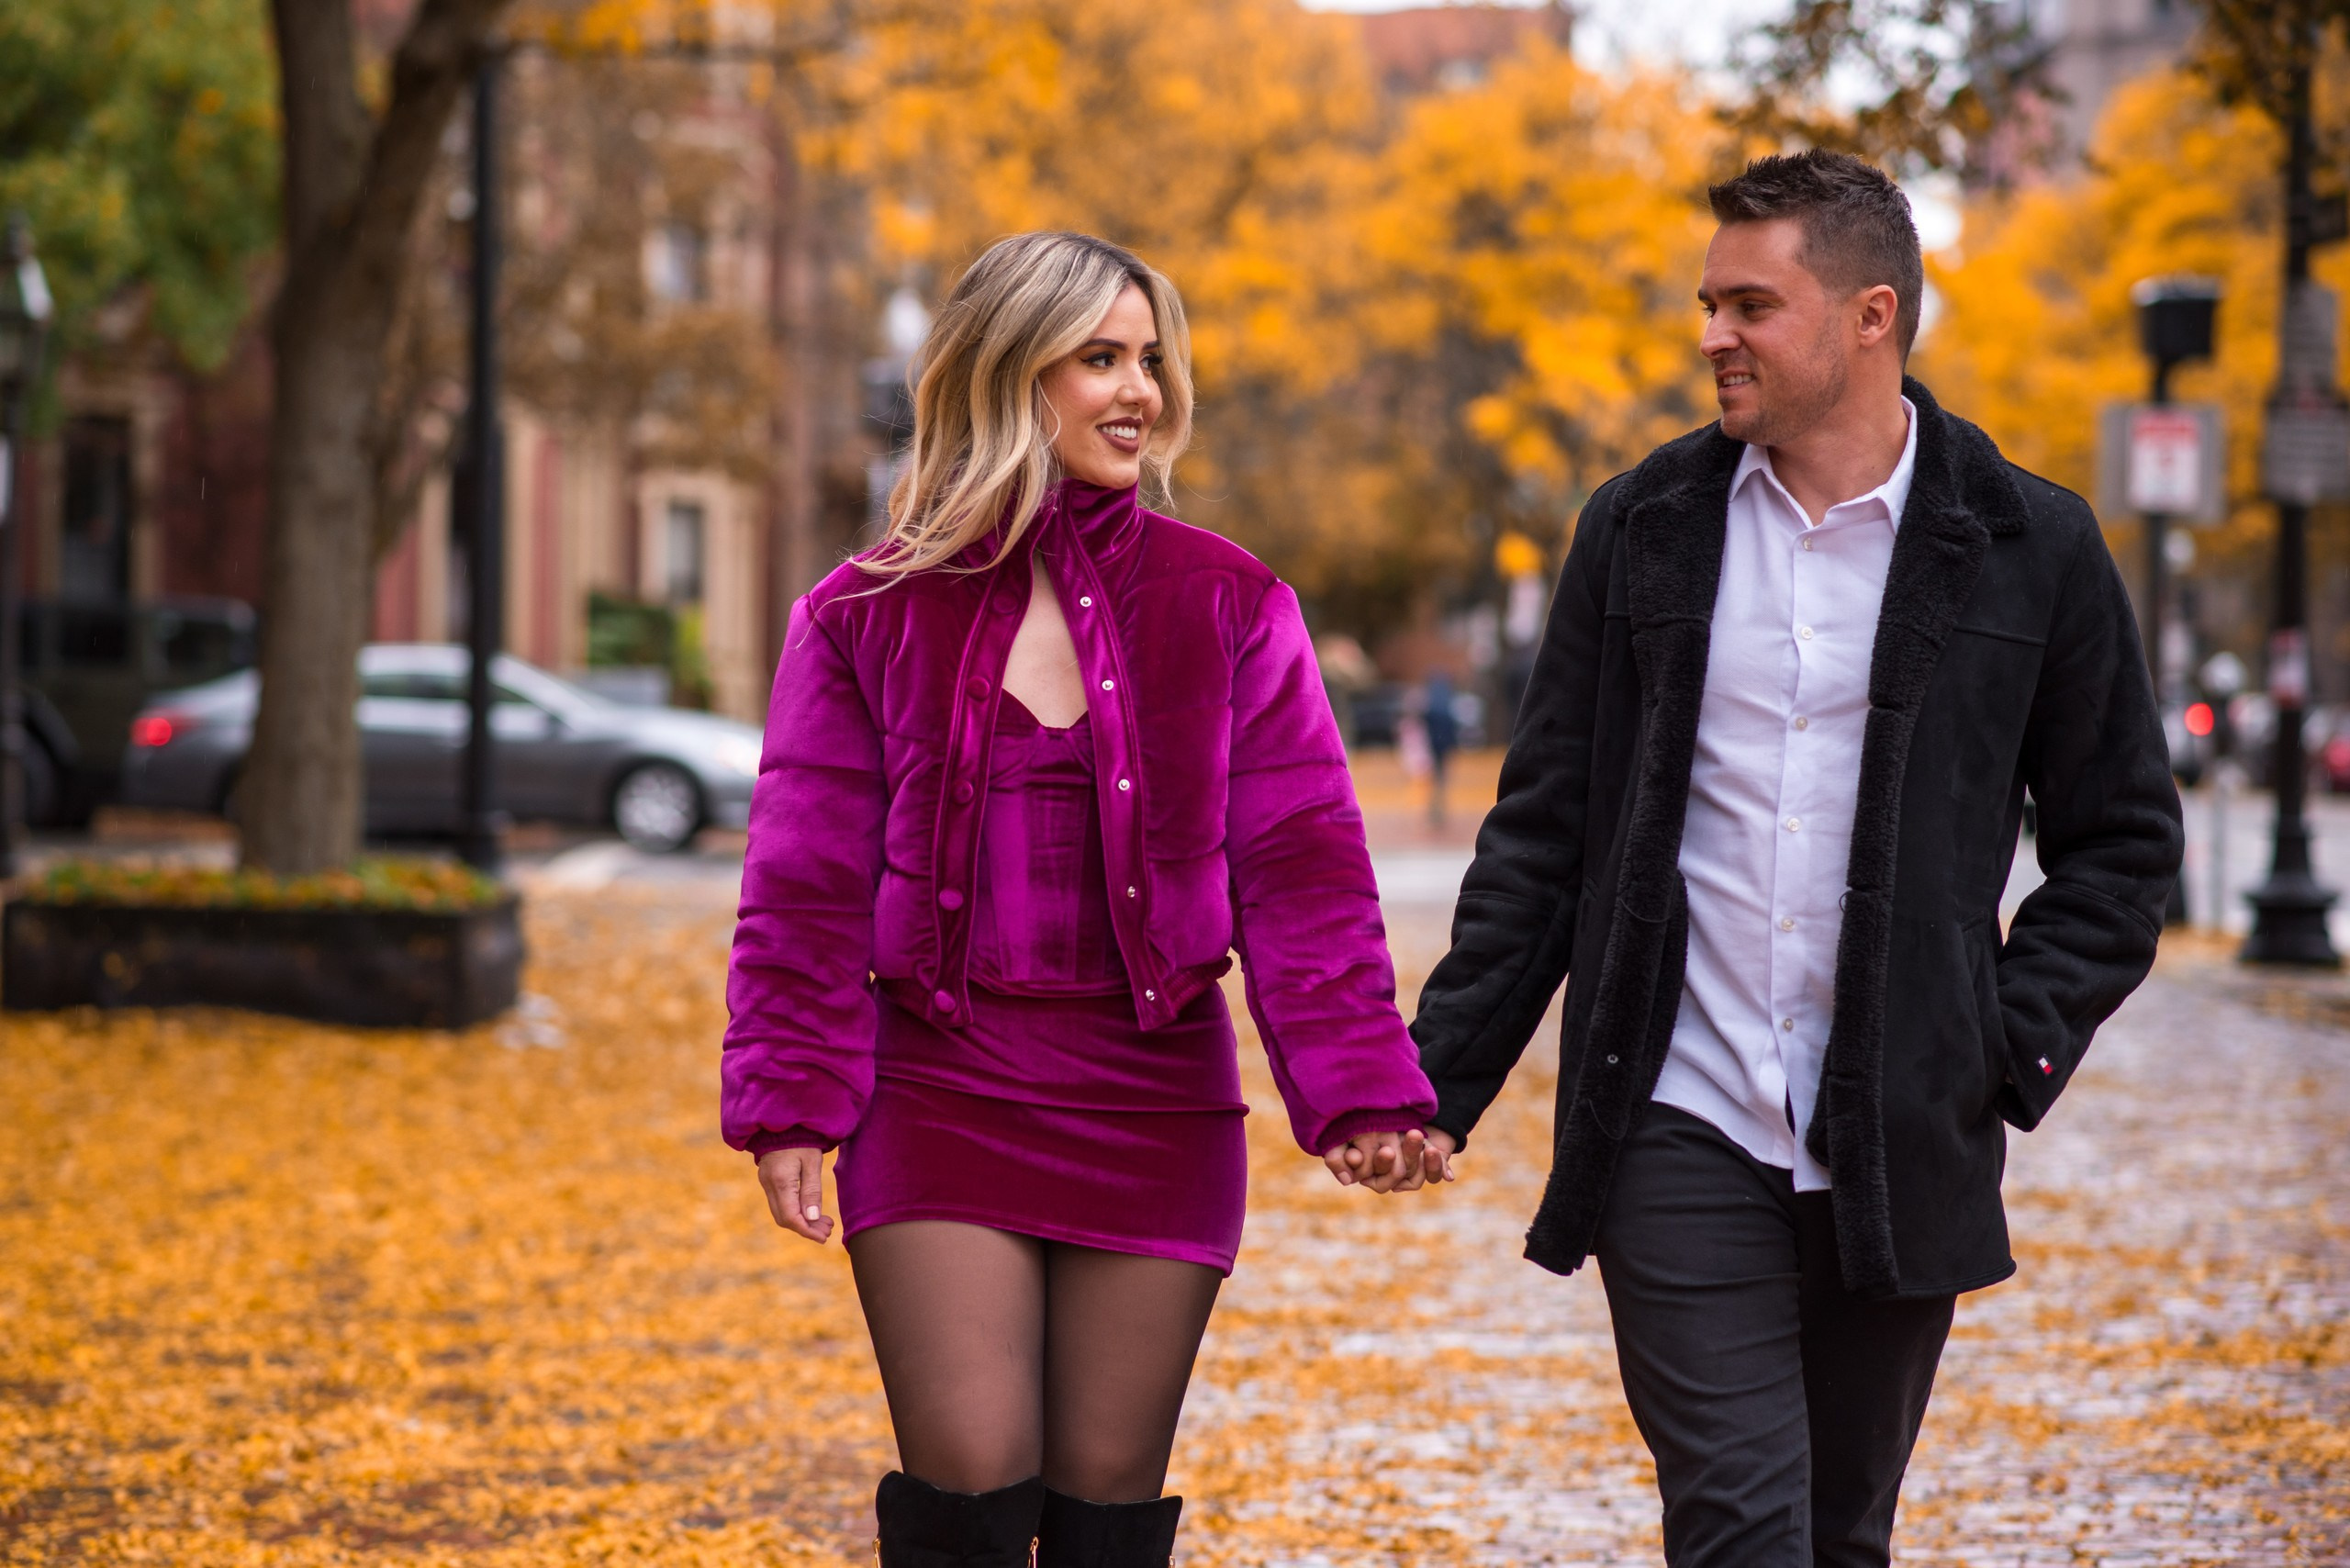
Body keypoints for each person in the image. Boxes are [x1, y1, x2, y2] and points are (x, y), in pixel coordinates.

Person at [1407, 151, 2182, 1566]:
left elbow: (2123, 845)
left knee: (1838, 1532)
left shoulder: (2034, 545)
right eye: (1710, 303)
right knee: (1741, 1523)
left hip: (1902, 1132)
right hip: (1676, 1111)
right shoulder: (1639, 528)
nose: (1714, 335)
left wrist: (2001, 1049)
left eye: (1751, 305)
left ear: (1871, 315)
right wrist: (1434, 1079)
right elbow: (1544, 834)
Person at [721, 230, 1450, 1568]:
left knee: (1109, 1520)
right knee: (969, 1506)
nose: (1142, 393)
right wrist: (788, 1100)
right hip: (936, 1089)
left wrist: (1361, 1088)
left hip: (1153, 1099)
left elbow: (1304, 871)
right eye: (1101, 358)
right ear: (1011, 375)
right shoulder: (858, 614)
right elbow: (805, 882)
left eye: (1152, 360)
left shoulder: (1233, 603)